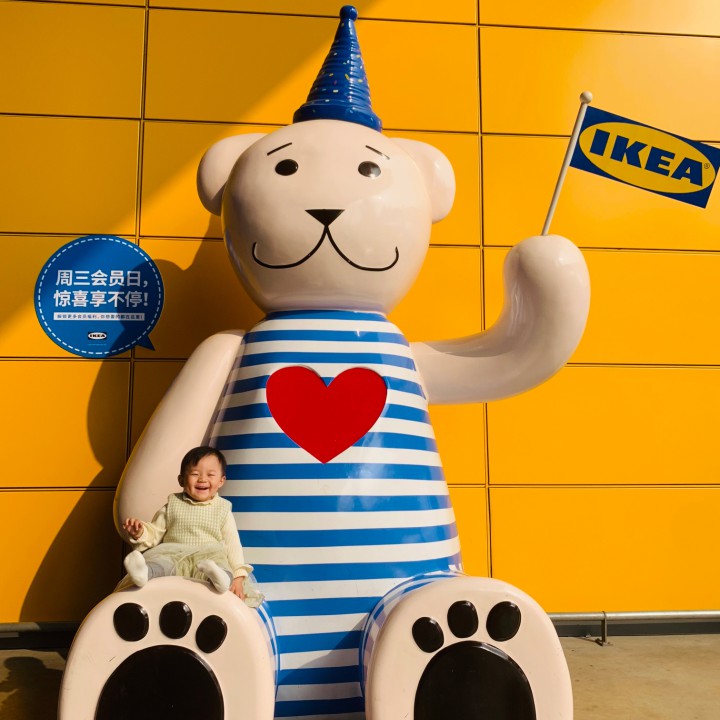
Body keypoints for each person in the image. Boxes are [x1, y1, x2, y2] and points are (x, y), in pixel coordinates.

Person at [119, 446, 260, 605]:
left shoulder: (222, 509)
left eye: (210, 475)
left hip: (209, 558)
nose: (202, 479)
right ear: (181, 480)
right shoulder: (172, 504)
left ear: (221, 481)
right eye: (195, 474)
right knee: (161, 564)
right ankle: (144, 573)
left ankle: (220, 578)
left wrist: (239, 576)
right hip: (173, 555)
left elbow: (232, 544)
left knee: (221, 566)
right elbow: (155, 532)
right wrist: (140, 532)